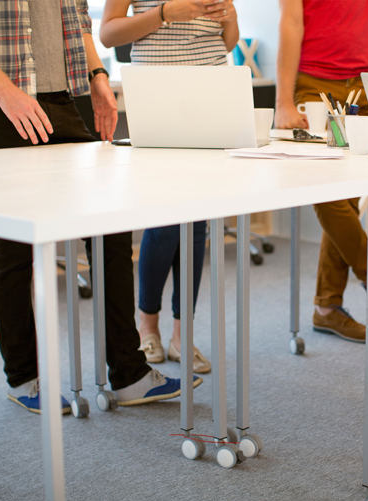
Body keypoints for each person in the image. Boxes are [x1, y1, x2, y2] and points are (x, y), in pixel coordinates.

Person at [0, 0, 185, 414]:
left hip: (64, 99)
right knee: (14, 248)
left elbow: (78, 19)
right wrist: (5, 90)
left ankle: (128, 373)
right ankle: (23, 378)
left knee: (109, 226)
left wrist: (98, 75)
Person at [100, 0, 237, 373]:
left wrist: (232, 16)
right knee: (164, 223)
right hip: (158, 98)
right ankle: (148, 325)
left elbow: (226, 42)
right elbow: (108, 34)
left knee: (196, 224)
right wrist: (163, 14)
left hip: (210, 96)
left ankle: (182, 335)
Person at [275, 0, 368, 343]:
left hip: (366, 83)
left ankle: (327, 307)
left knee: (346, 197)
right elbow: (291, 22)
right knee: (325, 188)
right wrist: (284, 100)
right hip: (315, 82)